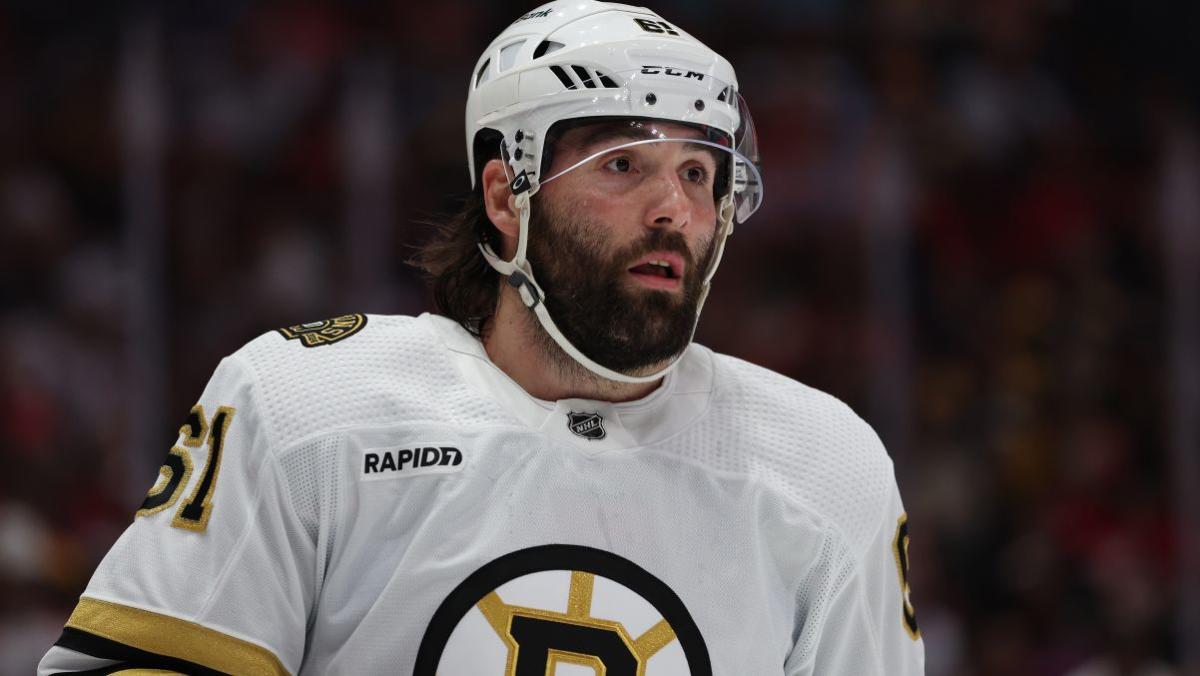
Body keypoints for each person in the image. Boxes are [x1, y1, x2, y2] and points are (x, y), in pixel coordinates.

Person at [39, 2, 924, 674]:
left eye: (699, 172)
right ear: (507, 197)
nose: (675, 210)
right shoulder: (308, 406)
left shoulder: (825, 467)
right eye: (624, 166)